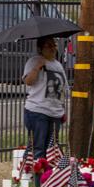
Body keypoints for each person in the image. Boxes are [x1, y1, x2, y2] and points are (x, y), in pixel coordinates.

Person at [22, 36, 69, 179]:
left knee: (51, 147)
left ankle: (45, 175)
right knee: (37, 145)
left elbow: (63, 88)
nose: (53, 48)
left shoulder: (58, 65)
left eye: (54, 45)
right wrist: (38, 67)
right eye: (48, 46)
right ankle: (30, 174)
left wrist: (63, 109)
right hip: (37, 111)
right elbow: (28, 81)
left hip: (55, 113)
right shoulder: (34, 61)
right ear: (41, 48)